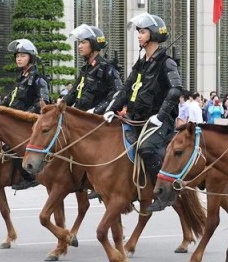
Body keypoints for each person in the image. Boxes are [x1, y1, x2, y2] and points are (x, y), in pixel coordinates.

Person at [103, 13, 183, 212]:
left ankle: (164, 193)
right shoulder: (141, 63)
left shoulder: (167, 62)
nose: (139, 35)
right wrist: (110, 110)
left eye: (143, 31)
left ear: (154, 34)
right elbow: (125, 89)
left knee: (146, 148)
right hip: (136, 118)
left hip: (158, 121)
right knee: (113, 142)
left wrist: (161, 116)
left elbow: (175, 90)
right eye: (138, 31)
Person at [1, 38, 51, 190]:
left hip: (30, 121)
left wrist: (26, 114)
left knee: (13, 144)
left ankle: (28, 177)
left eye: (23, 55)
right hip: (16, 120)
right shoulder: (20, 79)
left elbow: (44, 100)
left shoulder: (38, 79)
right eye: (17, 56)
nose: (19, 58)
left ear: (31, 57)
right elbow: (10, 99)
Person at [64, 24, 122, 114]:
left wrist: (96, 111)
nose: (79, 46)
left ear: (94, 44)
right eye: (79, 42)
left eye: (83, 42)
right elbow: (74, 91)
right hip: (81, 117)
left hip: (97, 121)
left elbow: (117, 92)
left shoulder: (107, 68)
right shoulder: (85, 68)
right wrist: (62, 103)